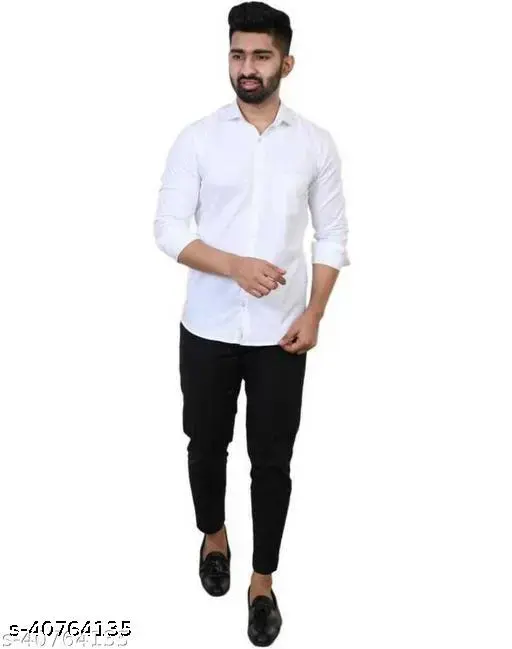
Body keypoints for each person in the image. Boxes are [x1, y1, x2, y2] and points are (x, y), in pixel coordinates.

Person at [154, 2, 350, 645]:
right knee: (204, 443)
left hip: (282, 335)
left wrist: (315, 313)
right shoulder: (197, 138)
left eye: (261, 56)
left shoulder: (315, 143)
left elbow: (332, 235)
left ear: (285, 63)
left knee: (272, 461)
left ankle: (262, 582)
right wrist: (233, 266)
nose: (247, 67)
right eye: (238, 54)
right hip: (207, 327)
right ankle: (214, 536)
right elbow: (168, 230)